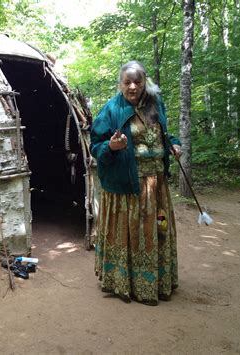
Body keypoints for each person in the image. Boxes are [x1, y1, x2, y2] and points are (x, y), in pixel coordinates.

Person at [90, 60, 181, 306]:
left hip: (156, 186)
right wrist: (111, 146)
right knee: (130, 233)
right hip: (126, 187)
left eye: (137, 81)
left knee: (156, 230)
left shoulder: (155, 104)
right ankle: (124, 283)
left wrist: (173, 143)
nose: (132, 86)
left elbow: (164, 132)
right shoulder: (111, 109)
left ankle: (157, 282)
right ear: (120, 84)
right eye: (127, 82)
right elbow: (95, 146)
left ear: (144, 82)